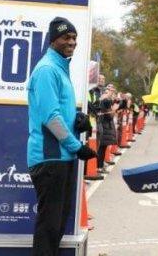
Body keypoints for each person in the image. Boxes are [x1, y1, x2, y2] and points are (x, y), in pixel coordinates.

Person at [27, 17, 97, 256]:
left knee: (56, 226)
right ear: (53, 39)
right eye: (66, 37)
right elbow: (50, 117)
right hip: (50, 158)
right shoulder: (47, 69)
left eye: (74, 37)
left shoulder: (59, 68)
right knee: (49, 227)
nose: (72, 42)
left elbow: (59, 111)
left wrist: (78, 118)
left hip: (61, 158)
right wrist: (76, 146)